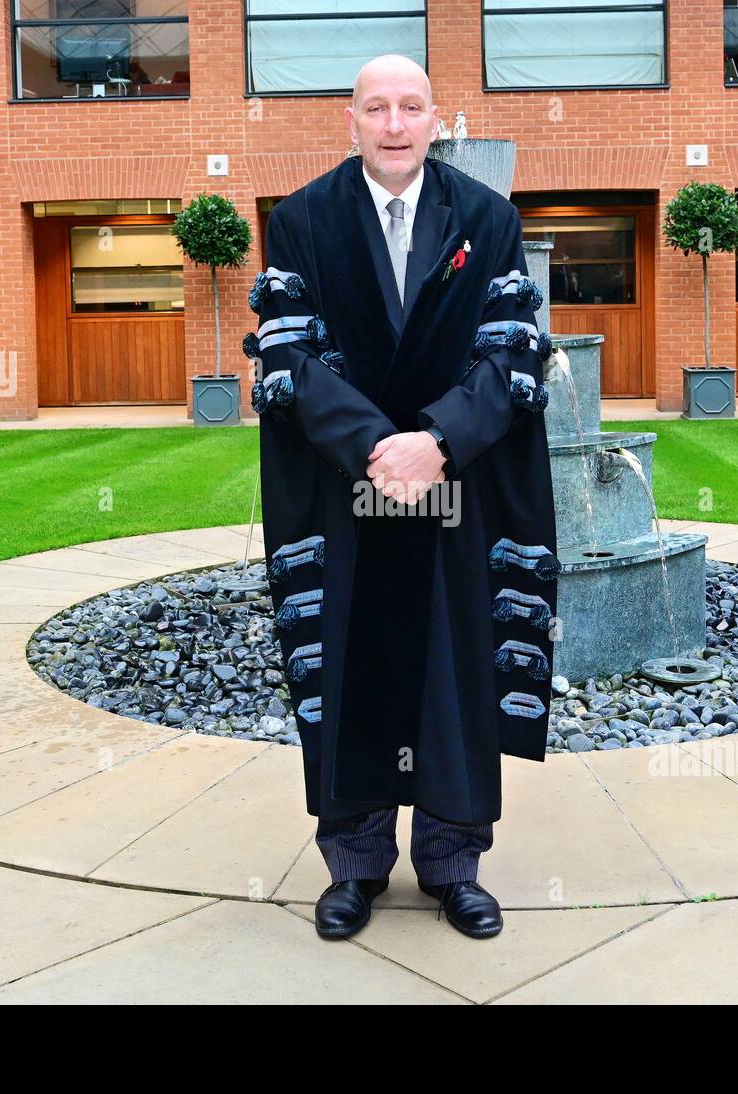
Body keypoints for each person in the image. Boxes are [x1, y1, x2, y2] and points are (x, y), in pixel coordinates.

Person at [245, 54, 558, 941]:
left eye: (410, 107)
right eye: (376, 108)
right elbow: (286, 354)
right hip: (351, 490)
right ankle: (357, 864)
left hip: (456, 486)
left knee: (454, 666)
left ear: (434, 118)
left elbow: (512, 355)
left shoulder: (487, 218)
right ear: (351, 120)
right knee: (353, 663)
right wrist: (378, 448)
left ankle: (454, 864)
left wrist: (439, 442)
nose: (393, 123)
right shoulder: (304, 218)